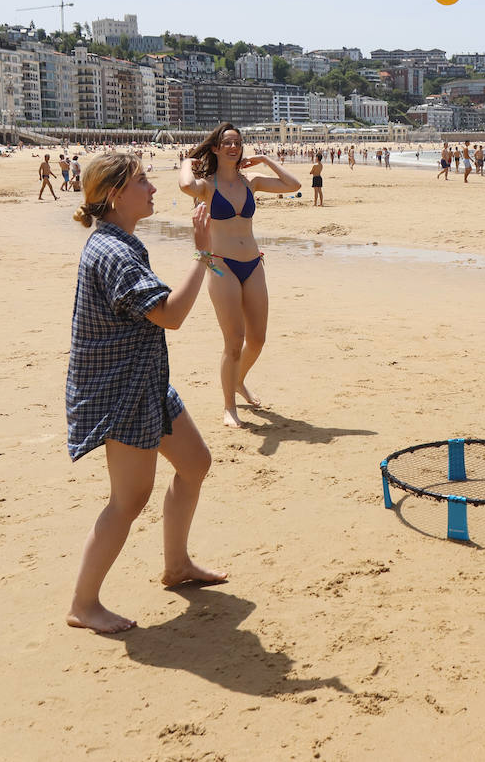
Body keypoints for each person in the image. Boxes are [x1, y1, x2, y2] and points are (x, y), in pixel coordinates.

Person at [65, 152, 226, 635]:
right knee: (128, 499)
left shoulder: (120, 241)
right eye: (142, 182)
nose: (154, 189)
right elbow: (171, 316)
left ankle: (176, 565)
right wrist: (203, 253)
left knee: (195, 462)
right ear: (113, 194)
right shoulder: (113, 252)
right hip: (120, 388)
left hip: (144, 377)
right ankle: (84, 604)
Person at [180, 123, 301, 423]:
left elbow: (293, 185)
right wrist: (186, 163)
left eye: (238, 143)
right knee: (234, 341)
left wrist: (265, 160)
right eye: (227, 143)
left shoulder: (252, 182)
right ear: (216, 149)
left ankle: (238, 380)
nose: (234, 147)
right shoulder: (207, 185)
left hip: (252, 264)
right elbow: (185, 186)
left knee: (257, 340)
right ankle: (229, 406)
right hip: (221, 267)